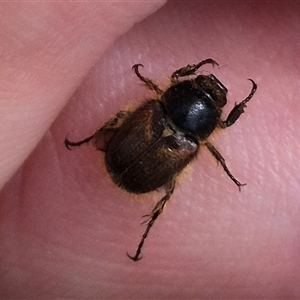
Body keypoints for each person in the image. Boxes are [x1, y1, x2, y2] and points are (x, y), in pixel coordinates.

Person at [0, 2, 299, 298]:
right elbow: (222, 122)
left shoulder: (162, 99)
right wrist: (240, 103)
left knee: (124, 124)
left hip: (128, 158)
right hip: (134, 164)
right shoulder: (198, 132)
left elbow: (171, 83)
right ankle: (144, 224)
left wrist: (197, 76)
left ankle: (138, 217)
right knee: (166, 189)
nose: (210, 85)